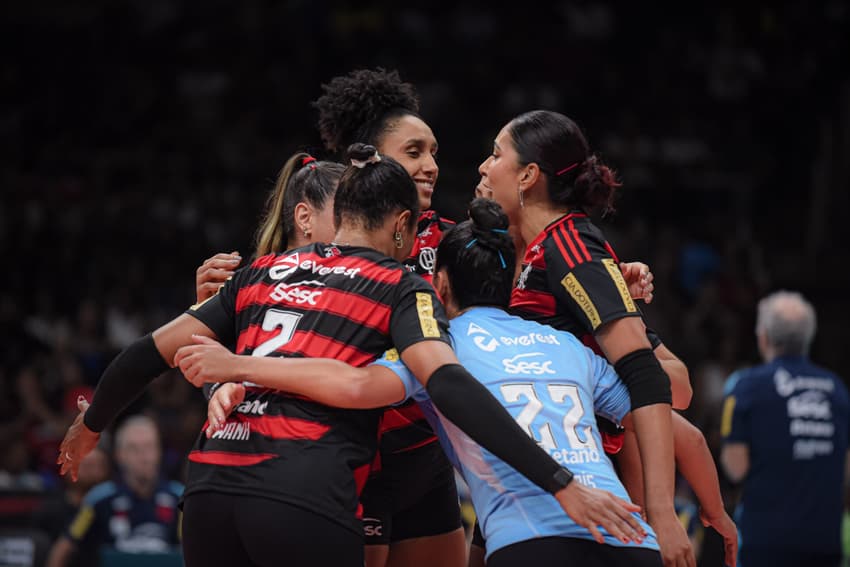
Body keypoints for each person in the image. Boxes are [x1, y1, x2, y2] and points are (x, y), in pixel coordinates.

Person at [58, 146, 644, 567]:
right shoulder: (398, 283)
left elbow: (145, 353)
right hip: (303, 490)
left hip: (210, 491)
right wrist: (560, 481)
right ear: (400, 226)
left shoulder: (262, 271)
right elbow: (450, 386)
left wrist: (90, 425)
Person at [178, 198, 661, 566]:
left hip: (535, 541)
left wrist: (236, 365)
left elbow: (353, 386)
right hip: (629, 533)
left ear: (440, 287)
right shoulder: (569, 346)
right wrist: (621, 309)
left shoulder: (435, 346)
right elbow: (665, 401)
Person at [475, 109, 696, 567]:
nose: (483, 166)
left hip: (592, 488)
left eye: (496, 155)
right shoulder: (515, 255)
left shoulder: (570, 245)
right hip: (526, 479)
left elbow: (653, 377)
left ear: (528, 176)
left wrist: (663, 512)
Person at [720, 290, 850, 567]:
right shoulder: (837, 390)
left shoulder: (745, 386)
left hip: (765, 542)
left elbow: (735, 466)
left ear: (763, 336)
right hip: (824, 542)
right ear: (808, 337)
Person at [47, 416, 182, 567]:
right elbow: (64, 548)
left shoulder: (180, 498)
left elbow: (195, 548)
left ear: (159, 452)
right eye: (134, 449)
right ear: (120, 455)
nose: (144, 456)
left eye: (149, 447)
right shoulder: (98, 499)